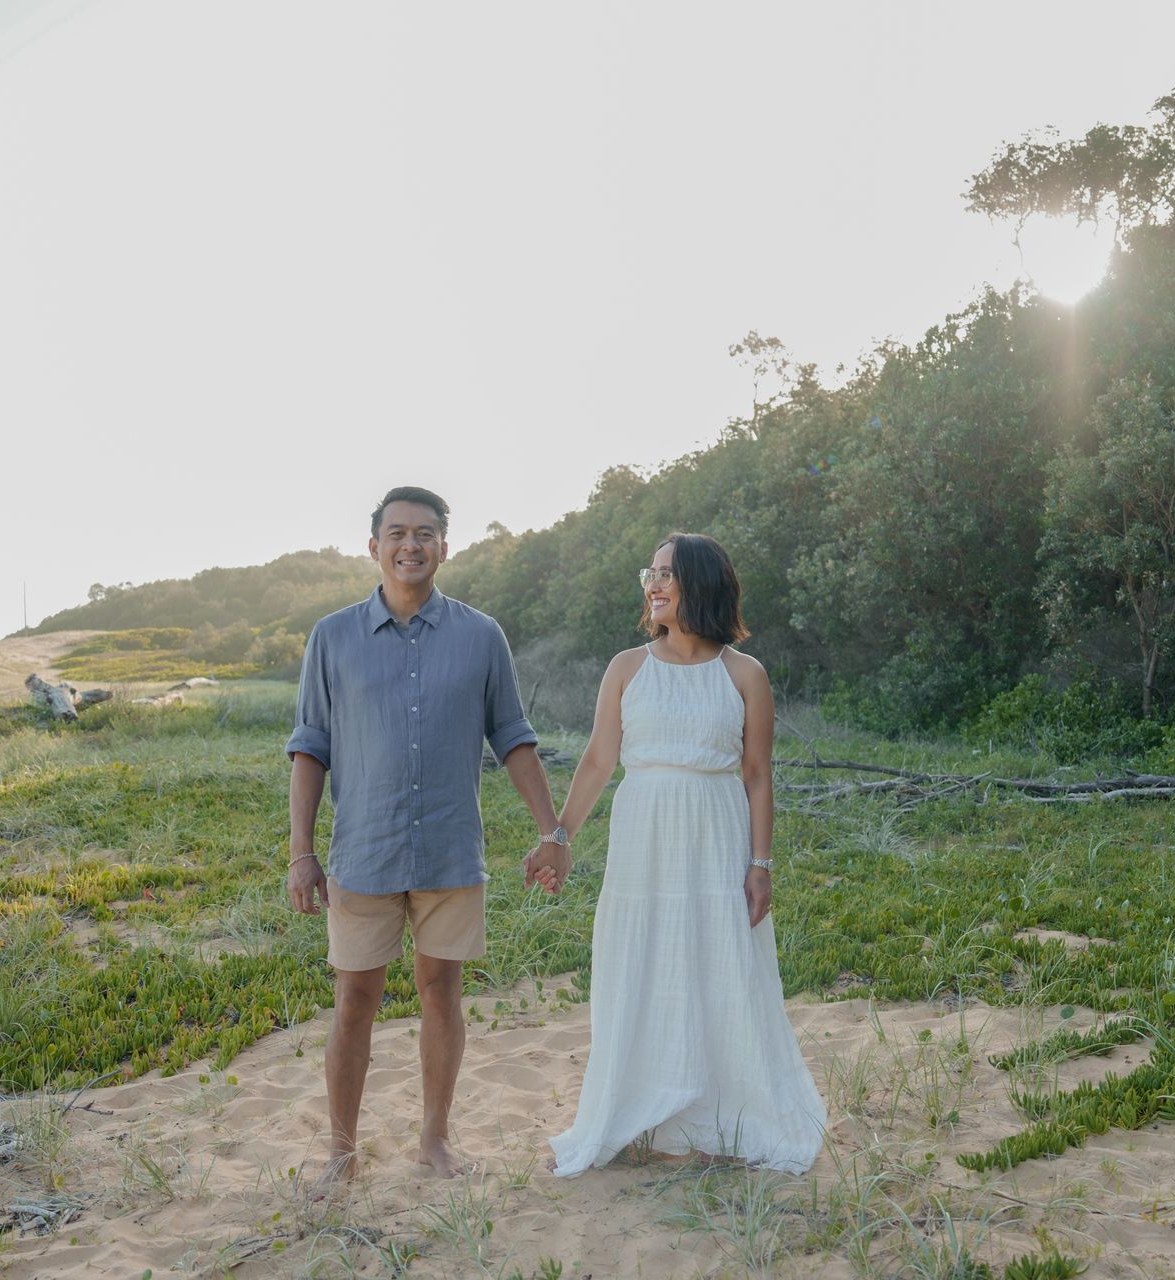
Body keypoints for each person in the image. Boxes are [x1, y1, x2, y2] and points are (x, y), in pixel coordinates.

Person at [286, 485, 570, 1184]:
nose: (410, 545)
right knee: (354, 1002)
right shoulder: (332, 637)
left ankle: (434, 1140)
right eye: (397, 533)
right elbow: (310, 747)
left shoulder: (481, 636)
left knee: (442, 993)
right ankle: (342, 1153)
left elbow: (514, 738)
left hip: (449, 850)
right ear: (373, 545)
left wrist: (552, 830)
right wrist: (301, 852)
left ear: (446, 545)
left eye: (425, 534)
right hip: (364, 851)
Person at [547, 532, 825, 1176]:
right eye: (651, 571)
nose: (654, 583)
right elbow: (597, 761)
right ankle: (646, 1111)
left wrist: (762, 864)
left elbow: (757, 774)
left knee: (718, 962)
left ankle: (718, 1116)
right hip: (644, 832)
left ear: (700, 584)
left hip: (716, 831)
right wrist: (559, 835)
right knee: (643, 959)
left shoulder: (744, 675)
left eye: (668, 573)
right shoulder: (627, 667)